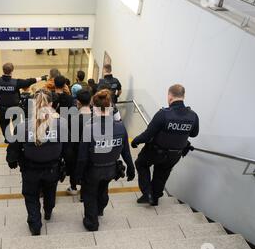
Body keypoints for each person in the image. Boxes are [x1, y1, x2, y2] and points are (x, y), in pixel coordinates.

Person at [6, 89, 67, 235]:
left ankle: (35, 224)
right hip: (53, 168)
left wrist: (12, 160)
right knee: (50, 191)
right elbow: (67, 148)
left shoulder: (22, 126)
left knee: (31, 195)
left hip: (30, 169)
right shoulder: (61, 124)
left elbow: (14, 147)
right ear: (51, 104)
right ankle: (48, 211)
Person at [75, 90, 135, 232]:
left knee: (90, 195)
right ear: (110, 107)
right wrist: (131, 168)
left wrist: (77, 175)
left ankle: (92, 222)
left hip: (93, 171)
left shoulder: (89, 129)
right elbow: (126, 151)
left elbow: (82, 157)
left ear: (94, 108)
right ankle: (100, 209)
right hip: (110, 170)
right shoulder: (120, 127)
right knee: (103, 188)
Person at [131, 84, 199, 206]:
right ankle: (155, 198)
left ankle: (148, 194)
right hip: (175, 154)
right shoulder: (193, 115)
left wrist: (135, 140)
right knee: (162, 173)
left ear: (170, 96)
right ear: (183, 96)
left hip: (156, 152)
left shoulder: (163, 114)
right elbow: (194, 134)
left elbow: (148, 135)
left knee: (141, 163)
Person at [0, 63, 47, 139]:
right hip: (15, 109)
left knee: (4, 124)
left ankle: (7, 138)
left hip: (2, 109)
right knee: (16, 124)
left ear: (3, 70)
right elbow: (29, 81)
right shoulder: (16, 82)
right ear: (12, 70)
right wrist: (42, 78)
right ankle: (17, 139)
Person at [66, 90, 92, 198]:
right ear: (90, 101)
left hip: (77, 150)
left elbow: (71, 139)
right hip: (91, 150)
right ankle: (85, 191)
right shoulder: (96, 118)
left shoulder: (74, 119)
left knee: (74, 167)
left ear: (78, 102)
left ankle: (73, 187)